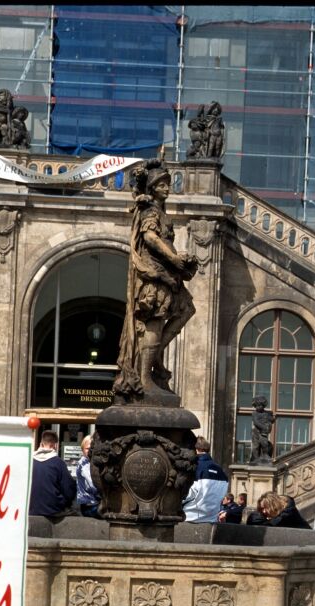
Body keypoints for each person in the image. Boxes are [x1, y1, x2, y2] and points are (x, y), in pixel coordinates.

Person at [113, 158, 198, 402]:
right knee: (153, 323)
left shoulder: (159, 211)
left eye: (168, 183)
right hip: (155, 275)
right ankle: (145, 377)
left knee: (185, 310)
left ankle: (156, 356)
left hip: (168, 273)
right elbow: (150, 238)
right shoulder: (151, 211)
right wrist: (174, 257)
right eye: (162, 184)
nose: (166, 187)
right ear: (152, 187)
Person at [29, 430, 76, 520]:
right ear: (54, 445)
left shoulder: (30, 461)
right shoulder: (58, 463)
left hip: (31, 508)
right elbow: (68, 489)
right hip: (52, 509)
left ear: (41, 444)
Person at [182, 436, 229, 523]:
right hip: (211, 518)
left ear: (195, 449)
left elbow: (188, 494)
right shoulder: (221, 471)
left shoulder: (194, 467)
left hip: (190, 517)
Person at [76, 435, 101, 518]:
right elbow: (92, 485)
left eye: (92, 448)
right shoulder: (83, 464)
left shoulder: (92, 462)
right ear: (82, 450)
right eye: (87, 449)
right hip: (89, 505)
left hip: (94, 503)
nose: (90, 451)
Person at [250, 394, 275, 465]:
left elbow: (271, 420)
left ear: (263, 405)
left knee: (264, 443)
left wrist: (272, 419)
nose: (258, 407)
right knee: (256, 446)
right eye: (256, 406)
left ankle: (266, 455)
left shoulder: (267, 413)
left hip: (264, 432)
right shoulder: (254, 413)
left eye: (260, 405)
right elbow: (256, 422)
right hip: (256, 432)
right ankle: (255, 458)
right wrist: (263, 427)